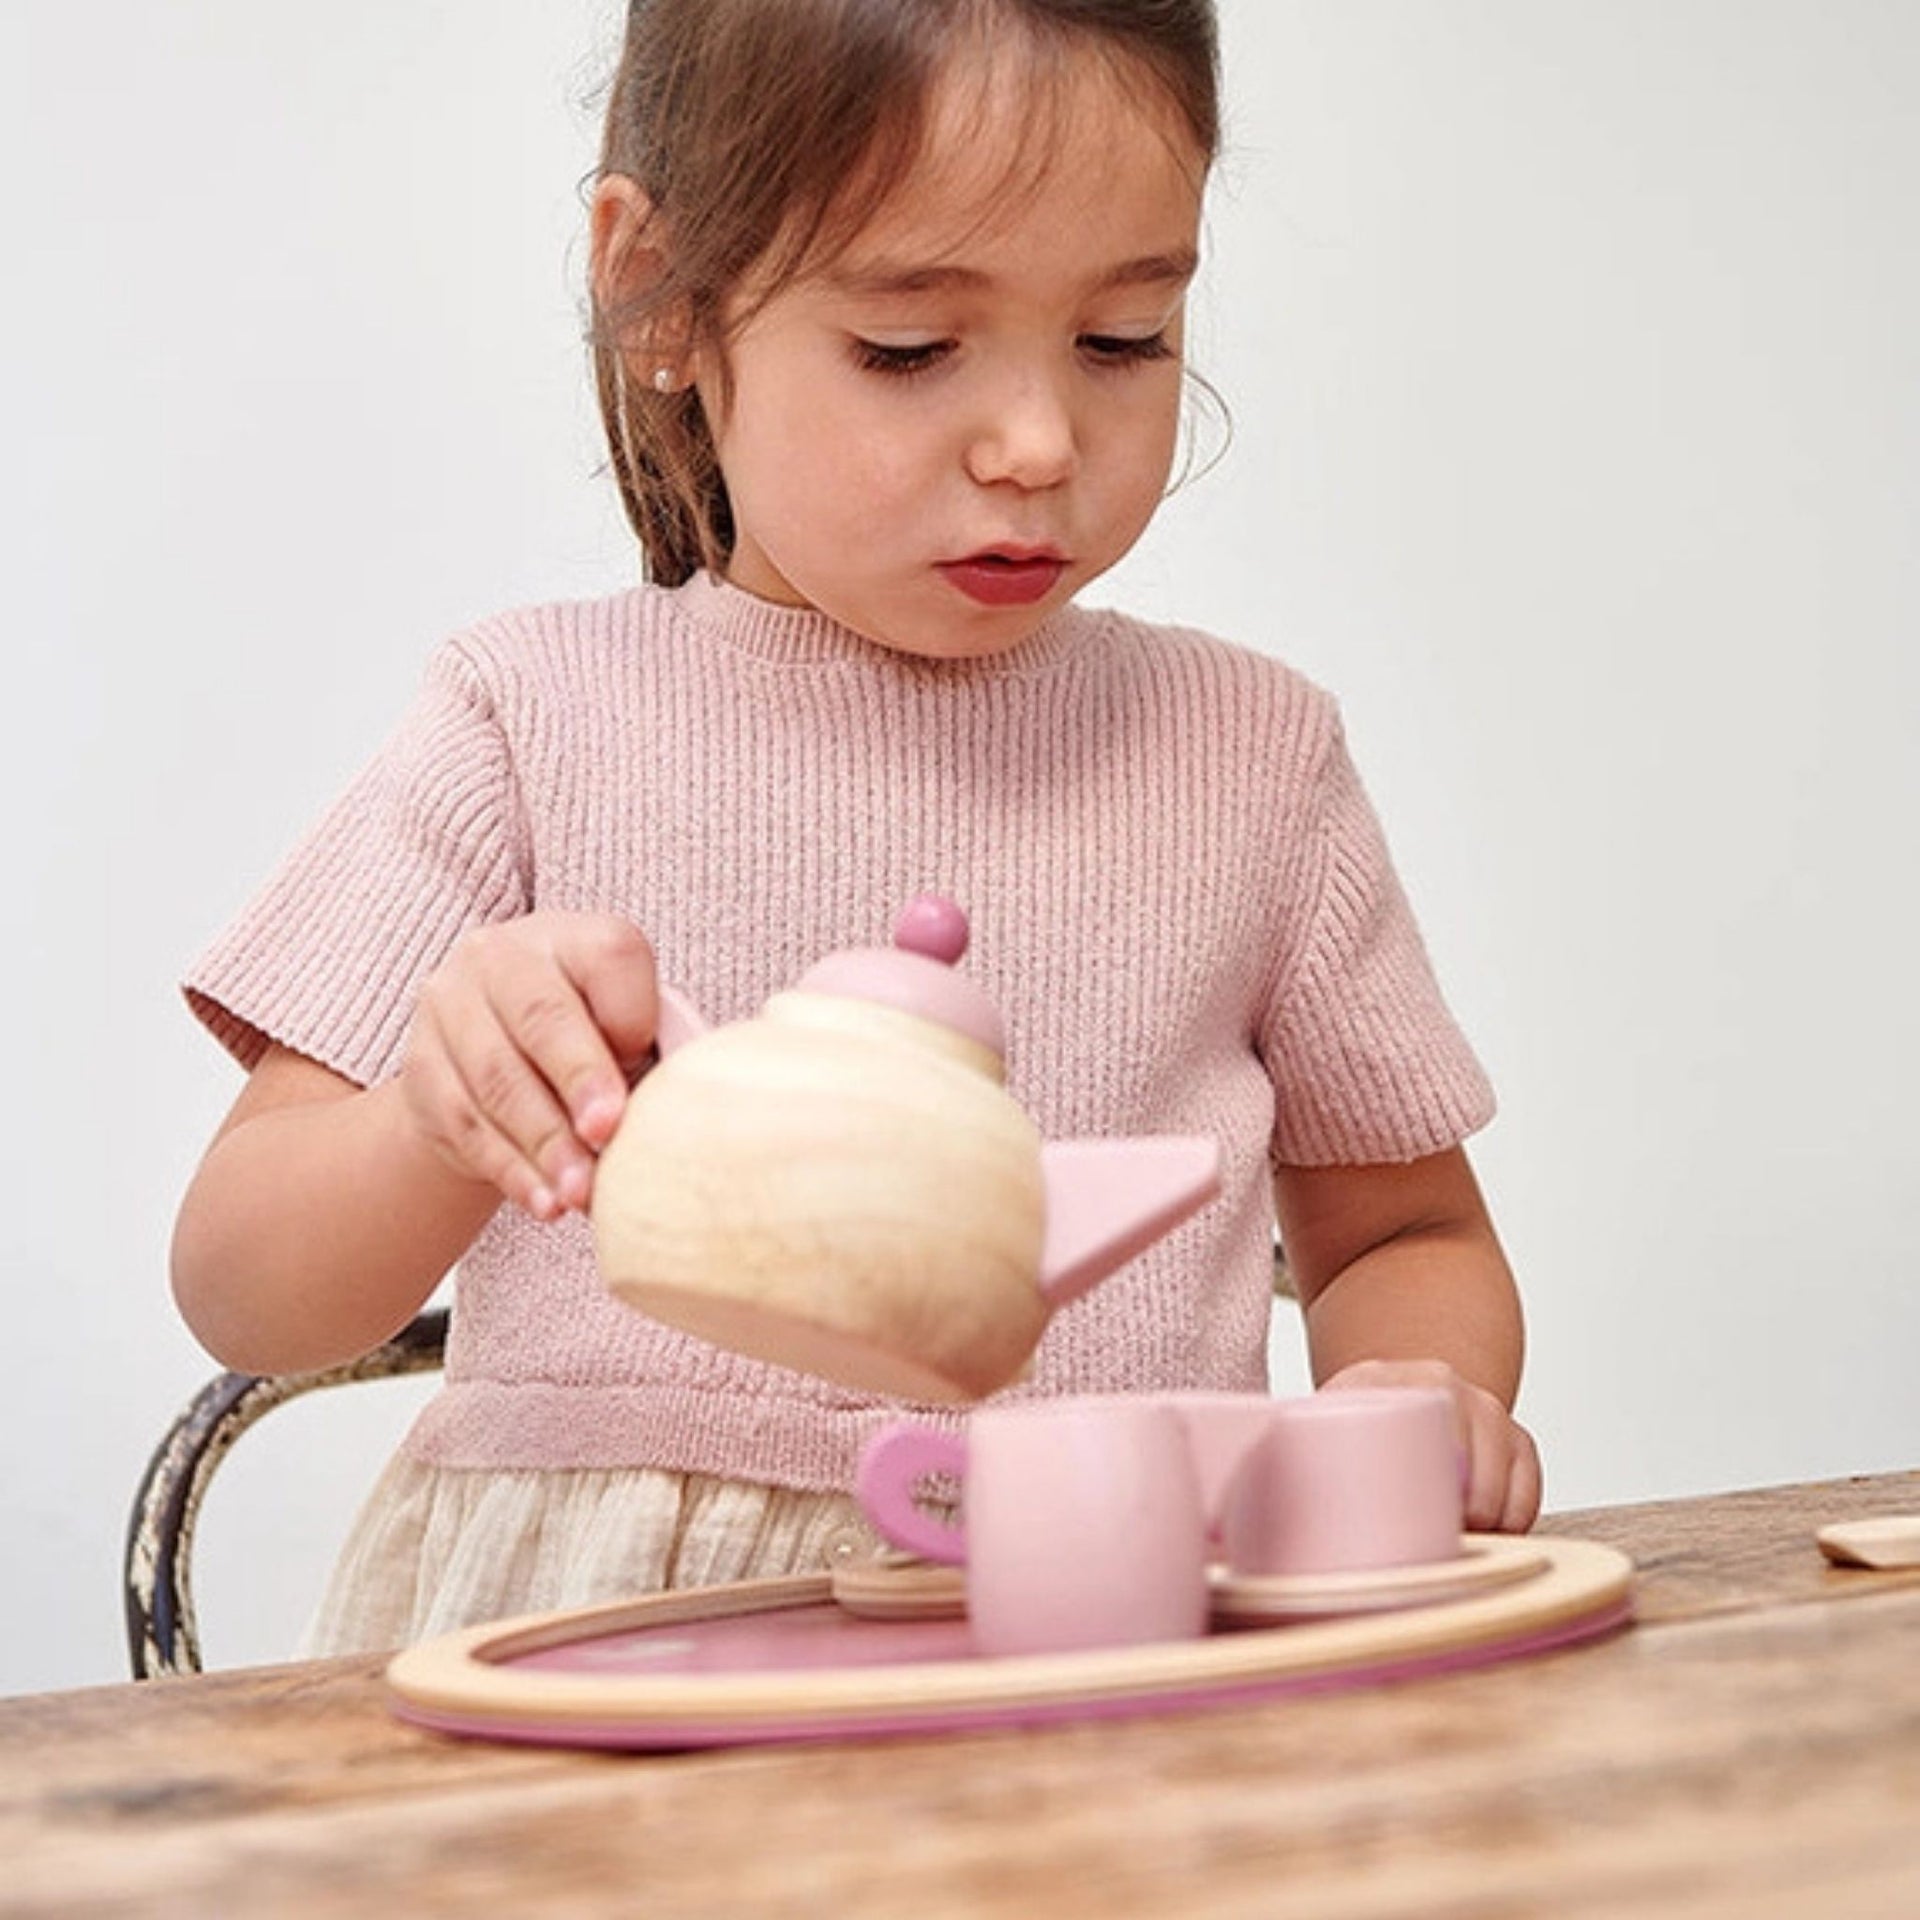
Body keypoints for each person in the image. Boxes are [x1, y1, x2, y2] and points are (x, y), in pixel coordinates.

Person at [172, 0, 1541, 1656]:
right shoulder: (525, 719)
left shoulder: (1256, 759)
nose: (1040, 445)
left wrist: (1424, 1387)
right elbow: (244, 1285)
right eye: (910, 346)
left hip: (1103, 1639)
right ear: (656, 291)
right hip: (602, 1690)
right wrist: (434, 1125)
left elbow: (1404, 1230)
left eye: (1125, 338)